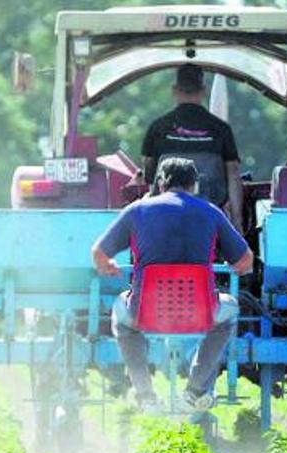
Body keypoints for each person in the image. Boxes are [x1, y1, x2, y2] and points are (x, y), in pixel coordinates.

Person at [92, 158, 253, 414]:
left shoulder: (137, 210)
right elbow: (245, 260)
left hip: (145, 313)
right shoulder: (211, 212)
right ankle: (194, 391)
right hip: (200, 313)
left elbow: (99, 253)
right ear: (194, 185)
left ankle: (145, 395)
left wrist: (108, 266)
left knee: (121, 318)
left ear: (160, 183)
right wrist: (238, 267)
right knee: (230, 311)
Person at [140, 64, 245, 232]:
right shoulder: (221, 129)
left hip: (164, 216)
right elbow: (233, 175)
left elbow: (149, 176)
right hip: (211, 212)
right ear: (203, 91)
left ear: (175, 90)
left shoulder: (157, 128)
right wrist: (237, 222)